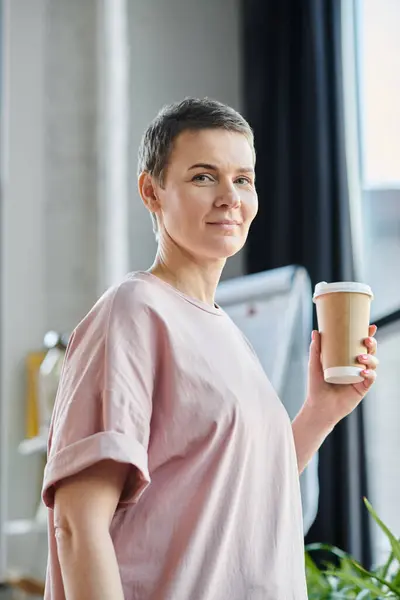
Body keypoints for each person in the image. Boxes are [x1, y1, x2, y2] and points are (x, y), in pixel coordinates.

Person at [41, 98, 379, 600]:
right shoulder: (134, 311)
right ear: (151, 192)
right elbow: (77, 522)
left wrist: (321, 411)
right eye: (203, 176)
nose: (229, 197)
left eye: (243, 178)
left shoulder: (227, 332)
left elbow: (247, 494)